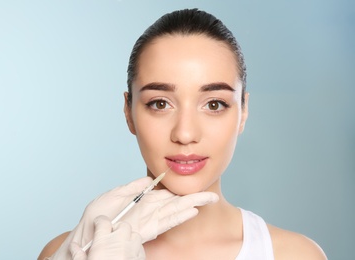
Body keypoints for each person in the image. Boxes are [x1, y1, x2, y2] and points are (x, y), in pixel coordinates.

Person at [38, 8, 327, 260]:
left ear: (243, 112)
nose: (185, 133)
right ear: (129, 112)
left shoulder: (295, 255)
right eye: (160, 104)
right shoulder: (68, 251)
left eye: (214, 104)